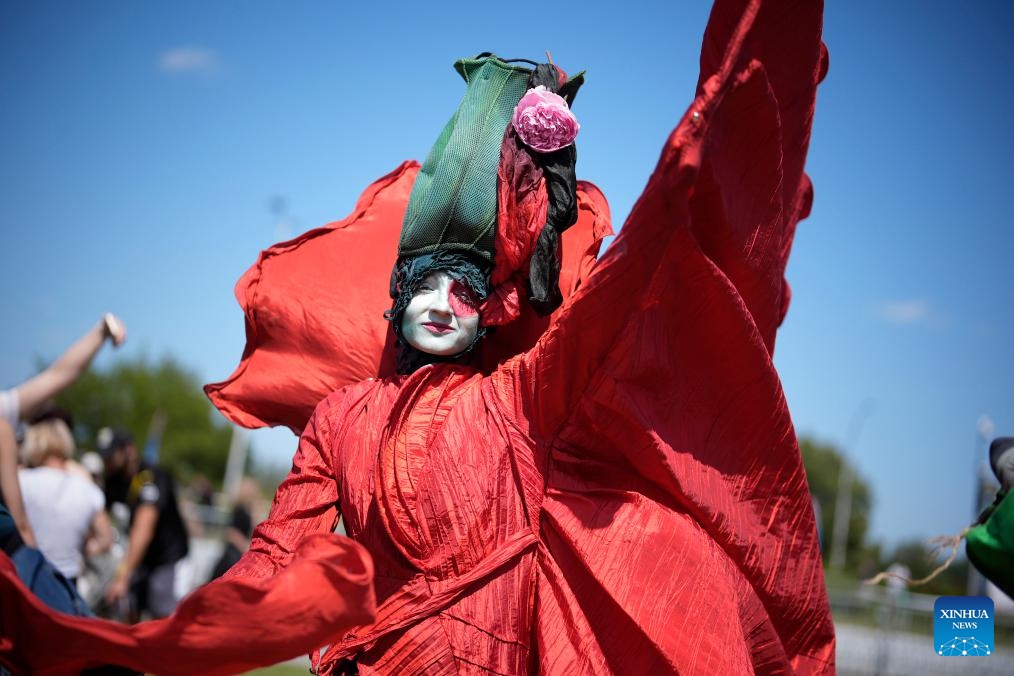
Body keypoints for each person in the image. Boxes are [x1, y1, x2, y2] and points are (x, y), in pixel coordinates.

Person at [0, 2, 834, 673]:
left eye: (464, 285)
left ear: (494, 308)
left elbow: (623, 306)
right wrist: (175, 642)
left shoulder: (523, 399)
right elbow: (272, 557)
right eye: (423, 283)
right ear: (394, 301)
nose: (441, 299)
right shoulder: (341, 420)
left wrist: (677, 186)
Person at [98, 429, 191, 621]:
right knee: (128, 611)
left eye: (111, 455)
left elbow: (143, 530)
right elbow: (100, 518)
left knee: (162, 615)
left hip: (167, 559)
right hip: (138, 558)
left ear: (129, 450)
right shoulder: (113, 481)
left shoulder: (152, 477)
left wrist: (123, 576)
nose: (107, 461)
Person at [19, 416, 113, 587]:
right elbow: (106, 539)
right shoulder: (88, 489)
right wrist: (83, 548)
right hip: (68, 582)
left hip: (27, 579)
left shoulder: (21, 482)